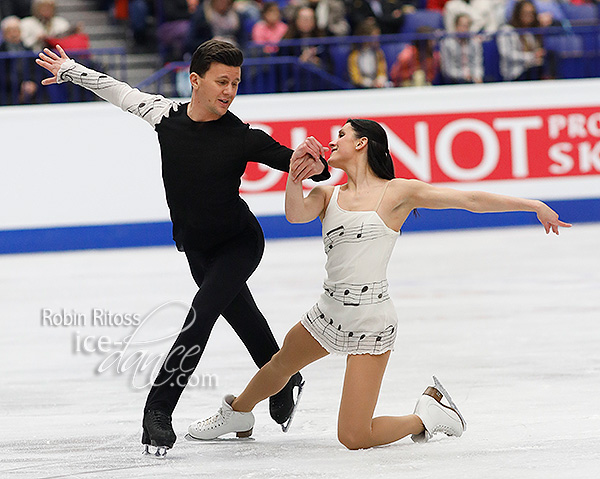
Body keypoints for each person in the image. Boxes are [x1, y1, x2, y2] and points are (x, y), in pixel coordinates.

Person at [187, 118, 571, 449]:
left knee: (354, 437)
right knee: (279, 365)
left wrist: (533, 204)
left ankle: (427, 416)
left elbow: (469, 199)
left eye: (340, 134)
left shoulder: (397, 192)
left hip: (371, 320)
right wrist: (294, 174)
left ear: (361, 143)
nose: (331, 141)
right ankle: (237, 413)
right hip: (329, 310)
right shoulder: (327, 193)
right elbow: (294, 214)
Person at [35, 39, 330, 456]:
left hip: (240, 244)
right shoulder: (165, 116)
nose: (229, 91)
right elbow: (117, 90)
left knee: (200, 316)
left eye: (236, 83)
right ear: (195, 81)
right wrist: (70, 70)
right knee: (245, 320)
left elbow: (304, 167)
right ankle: (286, 378)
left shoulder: (243, 137)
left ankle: (157, 412)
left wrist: (315, 161)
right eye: (221, 81)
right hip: (197, 250)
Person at [497, 0, 546, 81]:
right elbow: (508, 54)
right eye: (526, 13)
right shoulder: (507, 30)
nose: (529, 16)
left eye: (532, 13)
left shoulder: (531, 32)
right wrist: (532, 56)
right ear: (518, 13)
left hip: (533, 69)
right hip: (515, 73)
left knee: (551, 56)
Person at [0, 15, 38, 105]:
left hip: (29, 89)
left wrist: (32, 82)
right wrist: (19, 85)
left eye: (16, 30)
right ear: (4, 34)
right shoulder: (1, 51)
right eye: (10, 31)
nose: (14, 34)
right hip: (6, 91)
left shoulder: (28, 49)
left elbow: (35, 70)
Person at [440, 13, 484, 84]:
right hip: (454, 82)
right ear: (456, 26)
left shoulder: (475, 43)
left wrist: (477, 76)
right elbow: (447, 69)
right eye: (462, 26)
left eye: (467, 26)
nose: (464, 29)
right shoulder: (447, 43)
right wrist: (464, 76)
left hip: (472, 80)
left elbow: (477, 63)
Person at [347, 18, 391, 89]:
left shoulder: (378, 53)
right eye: (374, 37)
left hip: (376, 87)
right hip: (360, 88)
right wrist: (369, 83)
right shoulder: (354, 55)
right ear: (365, 38)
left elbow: (382, 71)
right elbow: (355, 77)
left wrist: (380, 79)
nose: (378, 40)